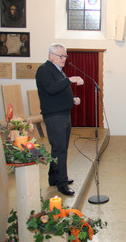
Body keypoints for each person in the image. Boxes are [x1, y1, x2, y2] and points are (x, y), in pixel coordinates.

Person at [36, 43, 84, 196]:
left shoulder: (59, 71)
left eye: (65, 56)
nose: (64, 59)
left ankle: (53, 178)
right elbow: (51, 89)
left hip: (63, 113)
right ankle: (62, 183)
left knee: (58, 148)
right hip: (54, 116)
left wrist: (73, 99)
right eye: (60, 56)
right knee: (60, 149)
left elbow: (60, 92)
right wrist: (69, 80)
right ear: (51, 56)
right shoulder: (44, 70)